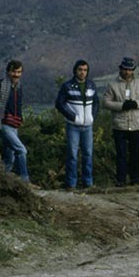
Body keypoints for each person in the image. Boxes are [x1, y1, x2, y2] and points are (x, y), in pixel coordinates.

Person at [103, 57, 139, 186]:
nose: (127, 72)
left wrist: (136, 103)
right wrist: (121, 106)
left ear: (133, 70)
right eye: (125, 69)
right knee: (121, 155)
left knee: (136, 154)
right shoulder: (112, 85)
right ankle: (121, 180)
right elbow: (106, 102)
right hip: (120, 125)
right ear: (121, 68)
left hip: (136, 124)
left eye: (130, 70)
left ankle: (135, 179)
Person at [55, 59, 99, 189]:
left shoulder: (91, 85)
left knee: (88, 154)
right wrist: (72, 116)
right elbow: (59, 104)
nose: (82, 72)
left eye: (85, 70)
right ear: (75, 70)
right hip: (73, 126)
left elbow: (96, 102)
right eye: (80, 69)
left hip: (88, 126)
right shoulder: (67, 86)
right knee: (73, 155)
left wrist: (93, 116)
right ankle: (71, 183)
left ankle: (88, 182)